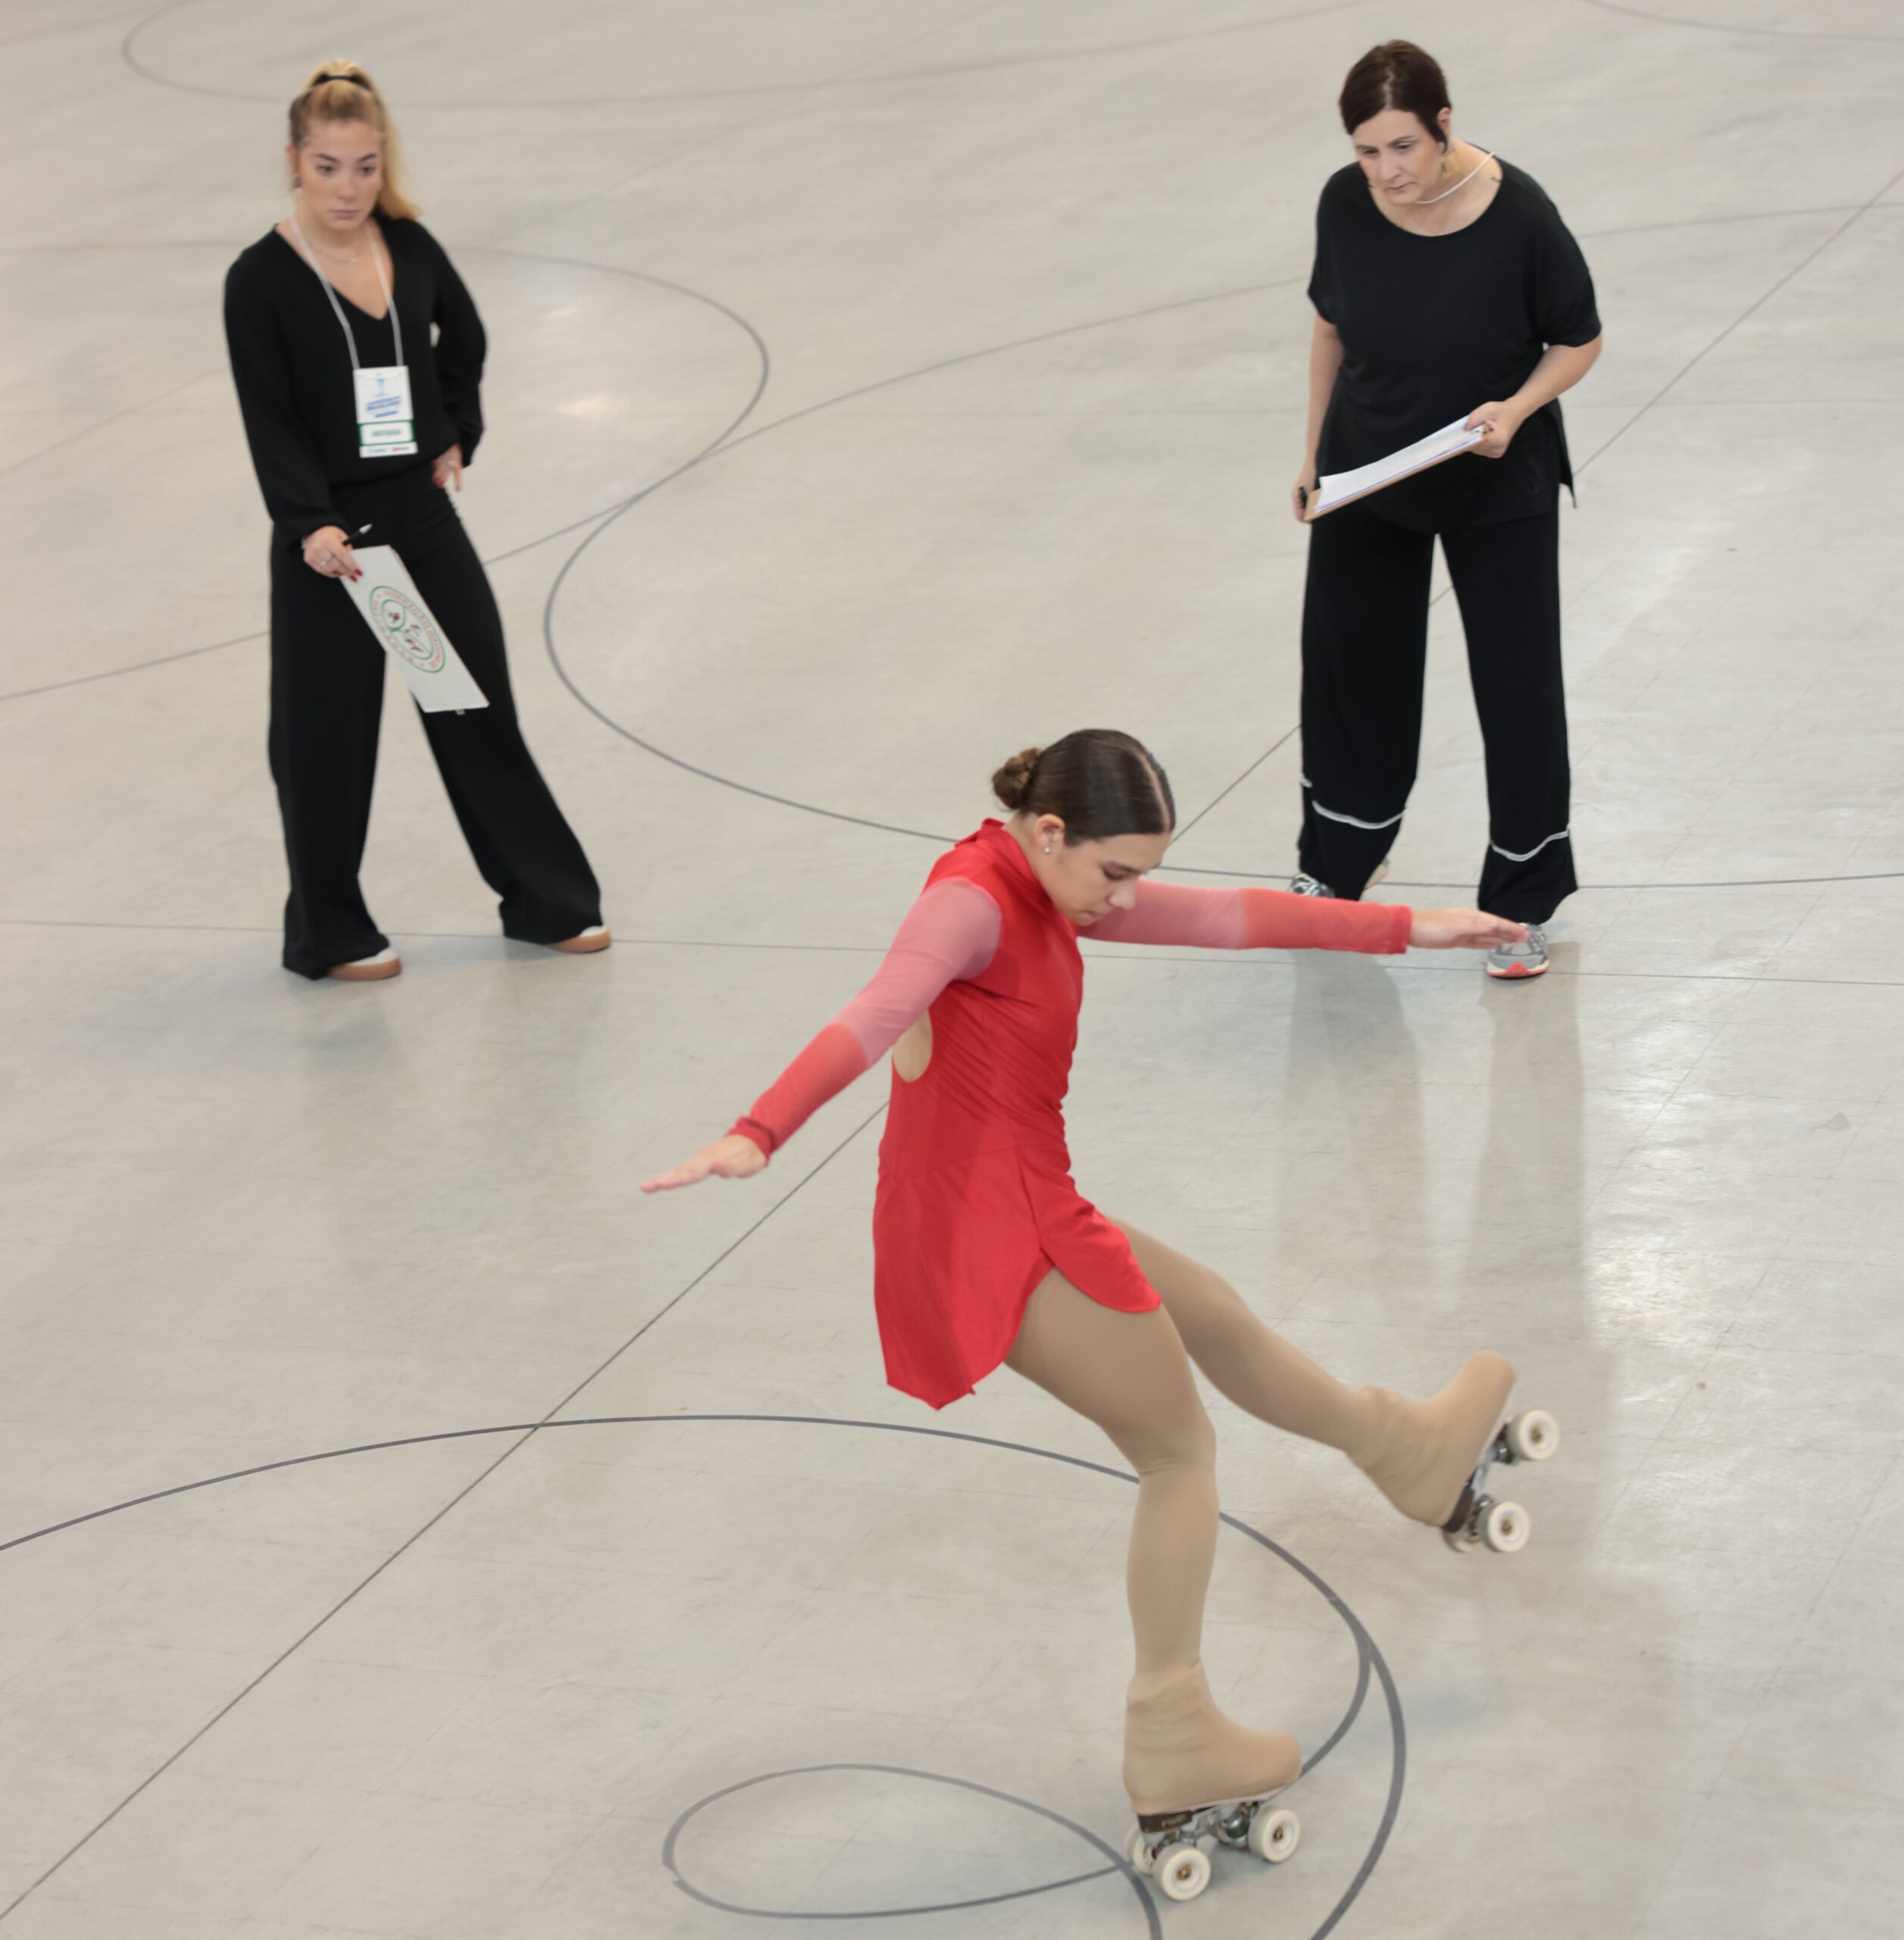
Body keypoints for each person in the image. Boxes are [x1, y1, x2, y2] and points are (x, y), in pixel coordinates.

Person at [646, 731, 1532, 1847]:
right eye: (1115, 873)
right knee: (1178, 1454)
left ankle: (1407, 1451)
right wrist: (757, 1130)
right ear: (1051, 830)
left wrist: (1413, 926)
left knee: (1211, 1312)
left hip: (1006, 1204)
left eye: (1138, 876)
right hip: (999, 1230)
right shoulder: (972, 905)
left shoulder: (1049, 880)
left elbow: (1230, 917)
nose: (1124, 899)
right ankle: (1174, 1731)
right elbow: (872, 1012)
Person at [223, 60, 607, 982]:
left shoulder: (409, 244)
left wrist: (454, 429)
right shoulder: (260, 279)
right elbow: (267, 415)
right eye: (326, 167)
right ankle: (329, 933)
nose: (346, 188)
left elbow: (462, 339)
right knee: (324, 739)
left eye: (364, 166)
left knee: (470, 704)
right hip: (331, 545)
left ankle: (544, 900)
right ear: (293, 160)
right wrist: (308, 522)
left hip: (419, 519)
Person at [1291, 39, 1603, 981]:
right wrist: (1310, 456)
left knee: (1516, 688)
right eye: (1365, 151)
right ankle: (1336, 864)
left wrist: (1515, 409)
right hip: (1366, 473)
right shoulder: (1344, 204)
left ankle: (1520, 900)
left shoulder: (1520, 216)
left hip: (1493, 477)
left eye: (1402, 147)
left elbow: (1578, 339)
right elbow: (1329, 329)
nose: (1385, 171)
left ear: (1443, 126)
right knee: (1350, 674)